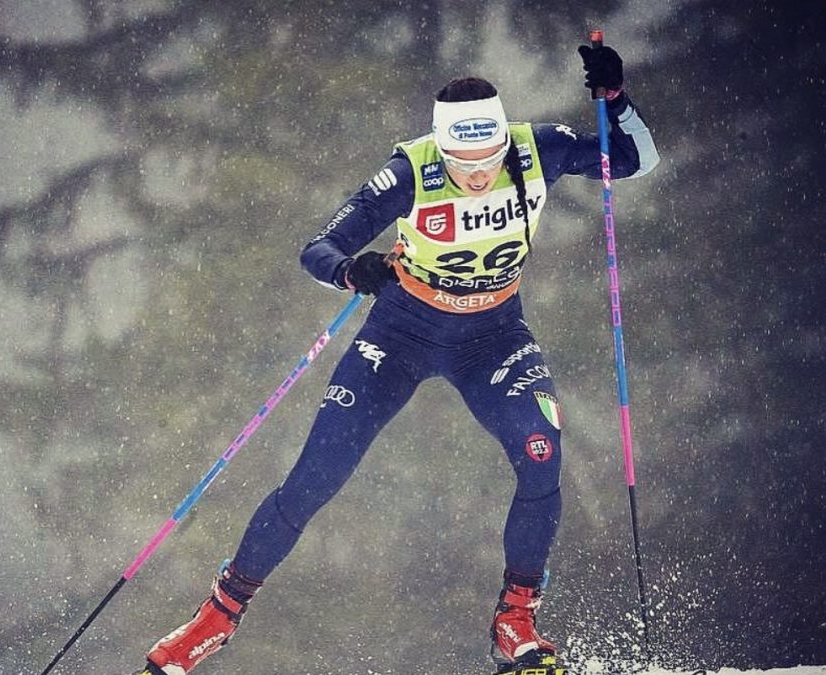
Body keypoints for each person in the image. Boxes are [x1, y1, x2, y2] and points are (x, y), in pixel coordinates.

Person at [140, 42, 659, 675]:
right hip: (401, 334)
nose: (477, 173)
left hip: (492, 337)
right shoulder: (410, 171)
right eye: (464, 160)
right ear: (443, 147)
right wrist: (350, 271)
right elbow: (320, 247)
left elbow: (635, 159)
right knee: (315, 477)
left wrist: (615, 100)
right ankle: (213, 620)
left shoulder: (538, 148)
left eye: (488, 158)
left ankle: (516, 619)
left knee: (541, 450)